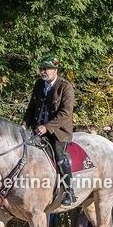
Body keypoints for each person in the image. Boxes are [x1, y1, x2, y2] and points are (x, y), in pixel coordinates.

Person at [23, 57, 76, 205]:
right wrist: (24, 125)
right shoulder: (39, 84)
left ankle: (69, 191)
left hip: (58, 132)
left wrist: (47, 127)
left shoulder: (65, 87)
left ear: (55, 70)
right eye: (41, 68)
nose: (43, 71)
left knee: (60, 156)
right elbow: (31, 108)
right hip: (37, 130)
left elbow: (65, 113)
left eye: (46, 68)